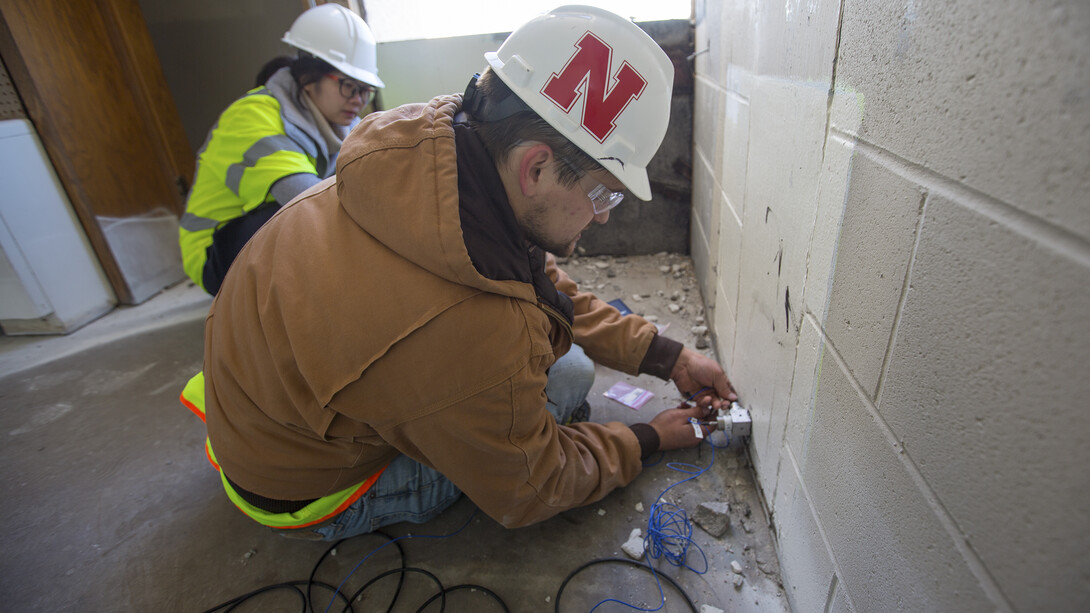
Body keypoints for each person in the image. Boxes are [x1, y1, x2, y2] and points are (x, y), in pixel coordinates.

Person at [180, 5, 737, 540]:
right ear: (536, 167)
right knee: (568, 381)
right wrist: (647, 438)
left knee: (557, 364)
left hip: (261, 415)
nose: (605, 213)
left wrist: (667, 356)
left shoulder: (431, 161)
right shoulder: (465, 330)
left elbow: (530, 282)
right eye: (603, 191)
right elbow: (534, 486)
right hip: (297, 486)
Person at [178, 3, 384, 295]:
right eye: (350, 86)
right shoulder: (253, 114)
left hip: (263, 225)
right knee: (309, 217)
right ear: (309, 77)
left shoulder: (339, 121)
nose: (358, 100)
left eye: (366, 91)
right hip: (214, 250)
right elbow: (304, 197)